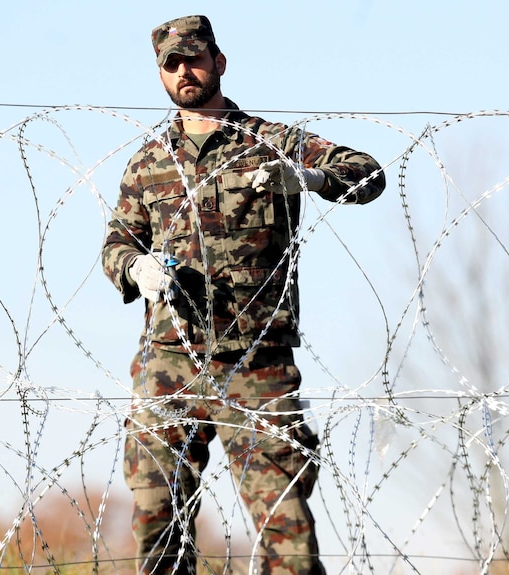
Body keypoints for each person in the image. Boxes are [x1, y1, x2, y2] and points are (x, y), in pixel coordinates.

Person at [102, 15, 386, 575]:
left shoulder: (270, 141)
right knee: (158, 528)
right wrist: (137, 269)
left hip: (257, 361)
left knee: (286, 531)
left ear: (219, 62)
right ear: (160, 75)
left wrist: (307, 179)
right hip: (169, 362)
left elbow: (367, 174)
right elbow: (116, 242)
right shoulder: (148, 162)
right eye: (172, 64)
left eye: (195, 59)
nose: (185, 71)